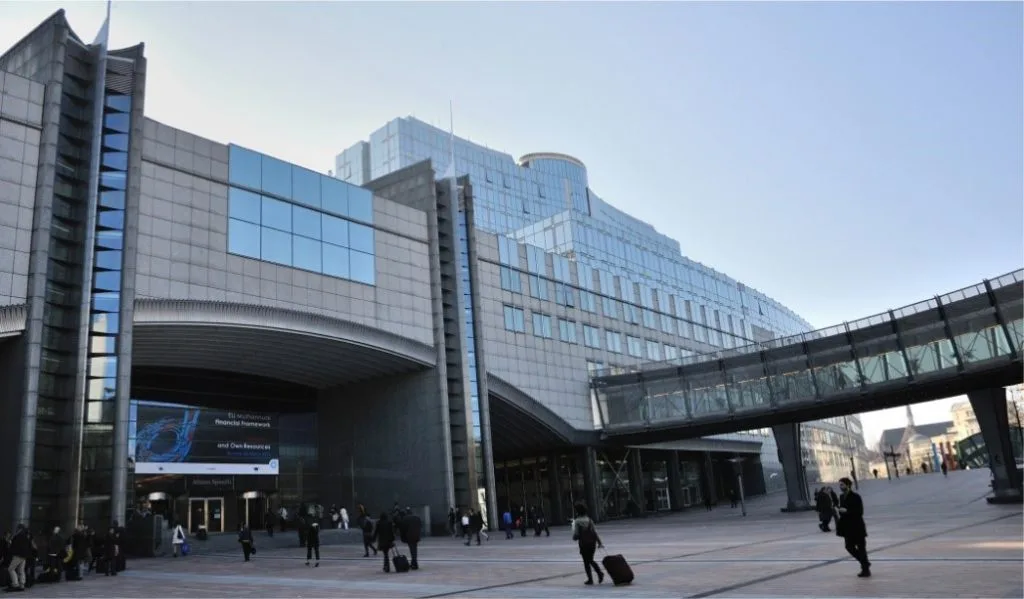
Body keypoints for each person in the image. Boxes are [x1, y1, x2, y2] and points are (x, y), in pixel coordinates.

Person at [835, 477, 870, 577]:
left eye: (842, 485)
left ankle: (865, 570)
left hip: (857, 526)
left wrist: (847, 511)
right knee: (849, 547)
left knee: (861, 548)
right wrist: (841, 511)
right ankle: (865, 563)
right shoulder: (841, 497)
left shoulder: (856, 496)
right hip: (848, 528)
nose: (840, 487)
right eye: (840, 485)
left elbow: (860, 512)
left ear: (848, 485)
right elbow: (842, 511)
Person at [571, 503, 604, 585]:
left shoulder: (578, 521)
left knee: (587, 562)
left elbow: (576, 534)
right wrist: (599, 542)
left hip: (584, 544)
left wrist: (574, 537)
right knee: (590, 559)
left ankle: (592, 578)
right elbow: (595, 532)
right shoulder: (589, 520)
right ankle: (598, 574)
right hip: (592, 543)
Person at [6, 525, 32, 591]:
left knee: (11, 569)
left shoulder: (18, 536)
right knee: (21, 570)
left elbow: (14, 545)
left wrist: (10, 543)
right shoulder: (26, 536)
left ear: (19, 529)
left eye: (17, 528)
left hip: (18, 555)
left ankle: (15, 584)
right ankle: (22, 585)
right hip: (24, 556)